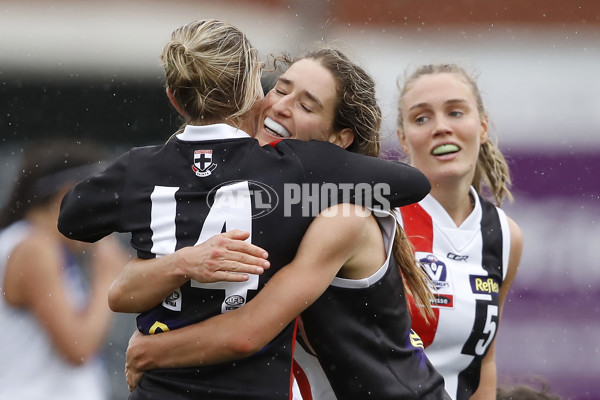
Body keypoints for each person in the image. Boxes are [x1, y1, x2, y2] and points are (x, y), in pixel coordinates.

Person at [57, 20, 431, 400]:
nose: (281, 106)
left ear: (338, 141)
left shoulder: (335, 209)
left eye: (305, 105)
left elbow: (245, 333)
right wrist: (184, 261)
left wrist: (152, 348)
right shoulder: (288, 174)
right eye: (279, 88)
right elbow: (120, 294)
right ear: (254, 91)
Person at [394, 63, 523, 400]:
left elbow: (484, 361)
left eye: (455, 112)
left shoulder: (506, 236)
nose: (441, 128)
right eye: (422, 118)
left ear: (482, 126)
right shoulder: (380, 217)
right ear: (404, 139)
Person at [0, 139, 129, 400]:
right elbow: (77, 349)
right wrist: (107, 280)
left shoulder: (38, 246)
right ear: (67, 195)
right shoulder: (35, 249)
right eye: (101, 204)